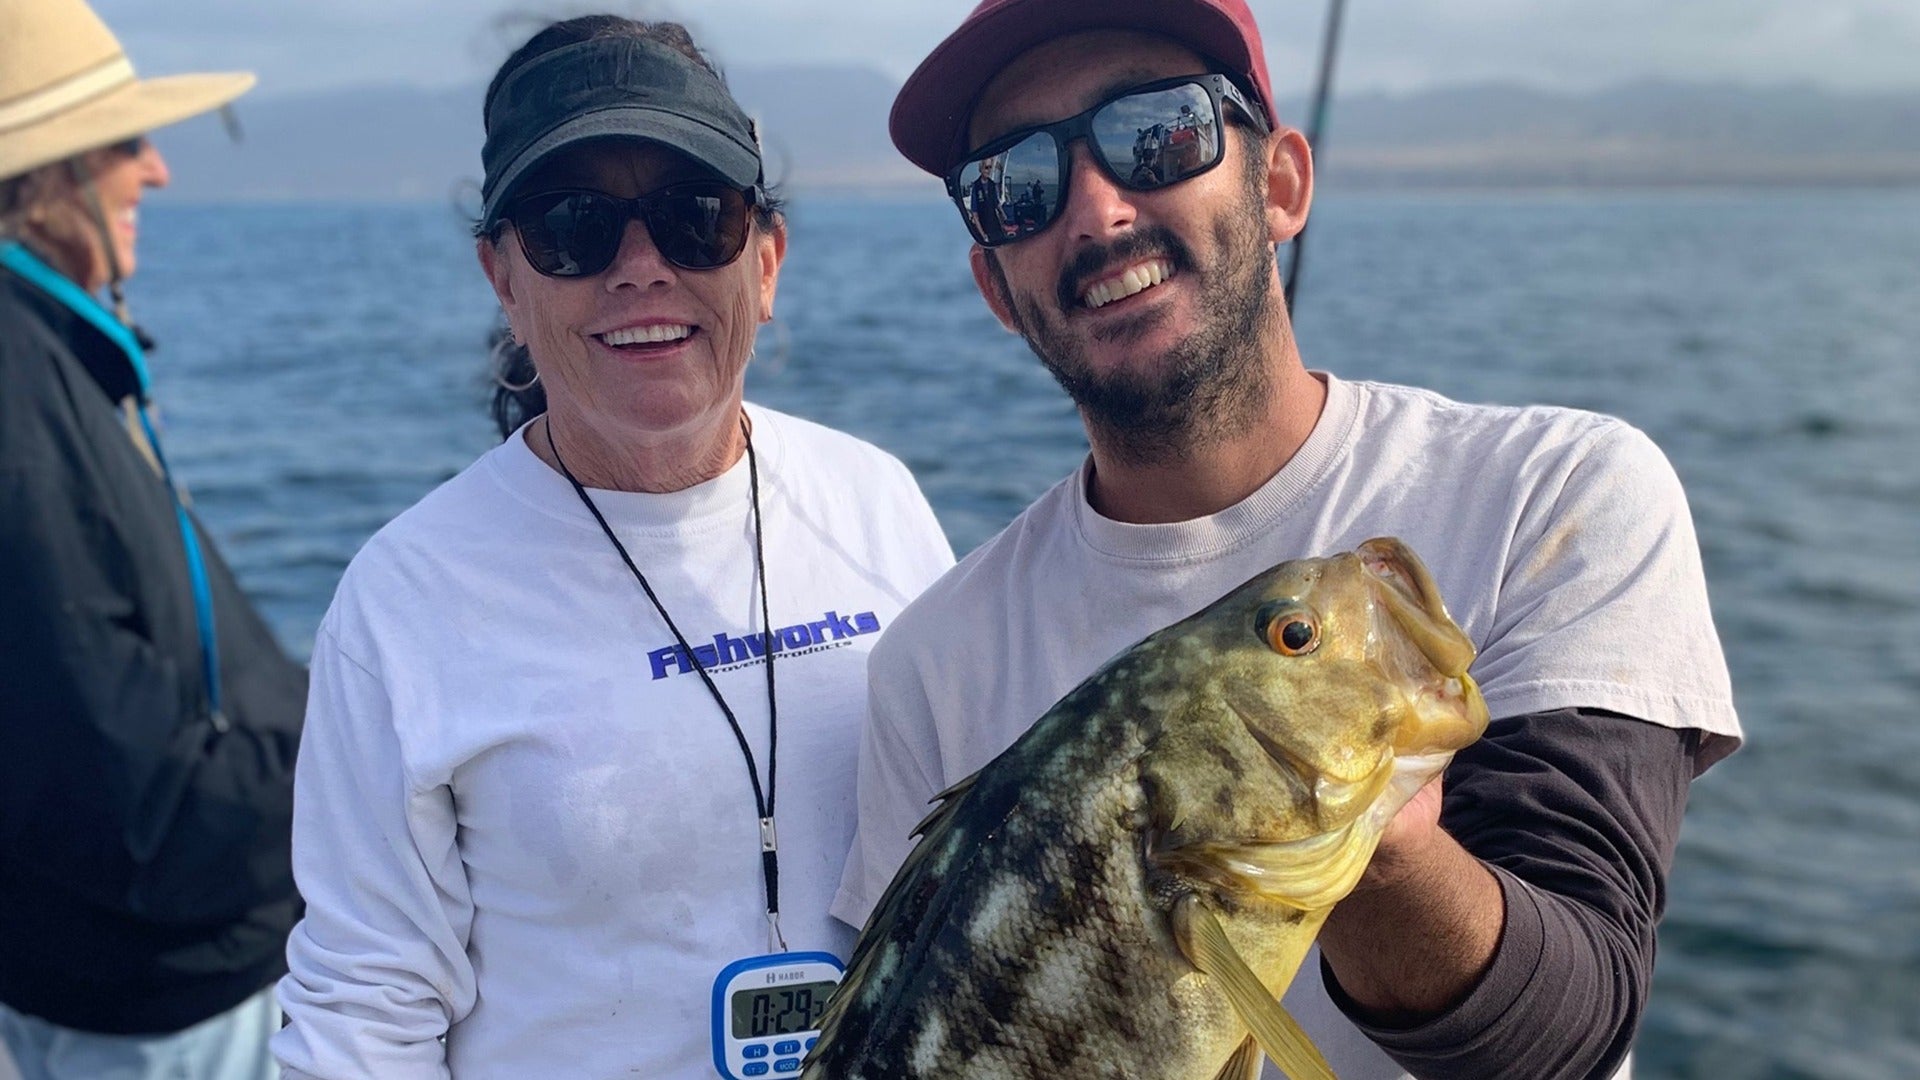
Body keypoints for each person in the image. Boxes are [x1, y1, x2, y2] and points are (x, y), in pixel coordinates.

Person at [831, 1, 1743, 1078]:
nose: (1098, 210)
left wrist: (1380, 851)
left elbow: (1574, 1024)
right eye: (1015, 184)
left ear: (1280, 186)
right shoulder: (934, 660)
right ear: (995, 283)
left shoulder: (1556, 496)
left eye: (1156, 131)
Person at [271, 15, 953, 1079]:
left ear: (764, 261)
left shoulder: (877, 499)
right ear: (505, 278)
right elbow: (365, 1010)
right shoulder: (402, 602)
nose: (640, 269)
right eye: (575, 228)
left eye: (694, 219)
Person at [0, 1, 307, 1078]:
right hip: (160, 1009)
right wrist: (365, 744)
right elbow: (121, 787)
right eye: (127, 142)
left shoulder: (42, 349)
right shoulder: (16, 375)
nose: (157, 172)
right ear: (47, 177)